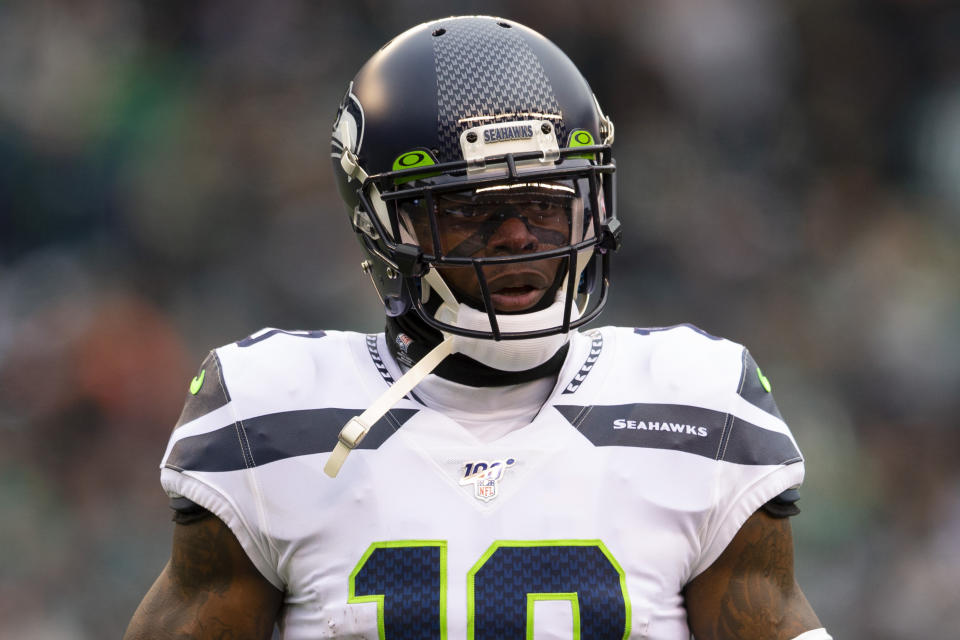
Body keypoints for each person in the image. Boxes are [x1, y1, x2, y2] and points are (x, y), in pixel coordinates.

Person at [125, 15, 831, 640]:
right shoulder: (272, 413)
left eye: (545, 203)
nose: (519, 238)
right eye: (471, 212)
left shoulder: (695, 402)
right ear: (381, 227)